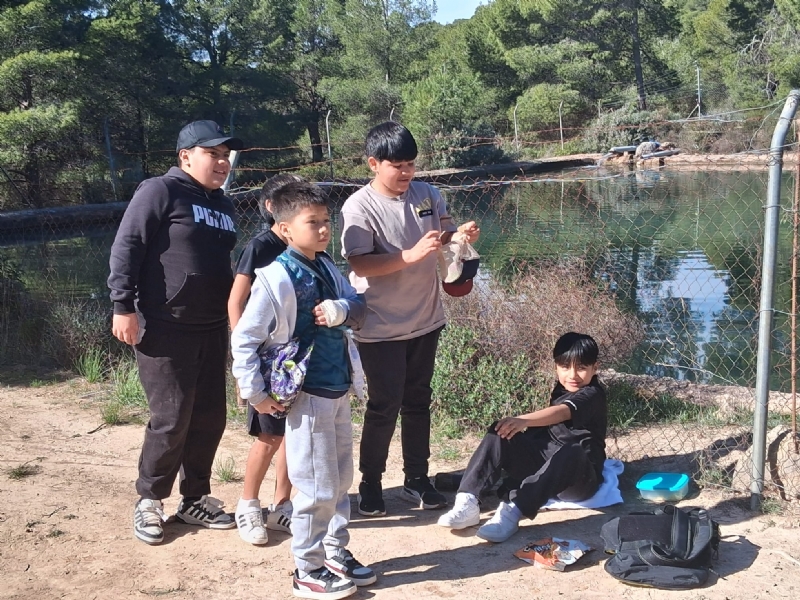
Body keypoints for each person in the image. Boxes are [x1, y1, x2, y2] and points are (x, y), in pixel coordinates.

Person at [231, 182, 376, 599]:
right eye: (312, 223)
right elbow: (244, 338)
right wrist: (255, 393)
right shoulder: (275, 278)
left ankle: (334, 552)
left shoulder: (329, 267)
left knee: (340, 477)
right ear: (284, 229)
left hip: (338, 387)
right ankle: (306, 568)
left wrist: (344, 310)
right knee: (315, 485)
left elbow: (360, 308)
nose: (324, 229)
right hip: (307, 394)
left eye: (327, 221)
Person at [108, 120, 243, 545]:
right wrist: (122, 306)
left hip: (211, 326)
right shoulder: (159, 190)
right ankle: (149, 499)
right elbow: (127, 245)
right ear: (186, 156)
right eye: (212, 154)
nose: (222, 162)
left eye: (225, 156)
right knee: (171, 417)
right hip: (165, 325)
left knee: (209, 417)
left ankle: (195, 498)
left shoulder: (221, 203)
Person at [340, 121, 480, 517]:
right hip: (379, 326)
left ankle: (417, 479)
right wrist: (409, 256)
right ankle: (370, 483)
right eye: (397, 165)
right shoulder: (358, 206)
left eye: (411, 165)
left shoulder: (427, 194)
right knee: (384, 406)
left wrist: (461, 235)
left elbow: (446, 233)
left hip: (426, 319)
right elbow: (359, 263)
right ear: (373, 164)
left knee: (418, 402)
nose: (406, 173)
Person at [437, 332, 607, 543]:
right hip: (545, 462)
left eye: (581, 368)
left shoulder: (593, 394)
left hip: (579, 477)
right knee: (500, 430)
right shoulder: (562, 388)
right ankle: (468, 501)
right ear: (556, 366)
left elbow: (564, 412)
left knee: (572, 450)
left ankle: (512, 513)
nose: (572, 375)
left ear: (595, 368)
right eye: (565, 367)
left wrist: (523, 420)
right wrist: (515, 431)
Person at [228, 173, 302, 546]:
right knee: (269, 436)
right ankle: (248, 504)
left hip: (297, 364)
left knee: (291, 434)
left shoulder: (308, 249)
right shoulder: (260, 247)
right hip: (266, 363)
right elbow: (235, 301)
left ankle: (282, 505)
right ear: (274, 209)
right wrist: (248, 368)